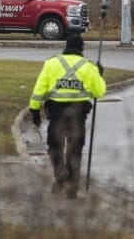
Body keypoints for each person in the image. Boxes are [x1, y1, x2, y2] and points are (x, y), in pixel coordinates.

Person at [29, 34, 106, 199]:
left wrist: (34, 110)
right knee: (75, 149)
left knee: (55, 146)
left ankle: (60, 172)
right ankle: (72, 187)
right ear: (82, 49)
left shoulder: (51, 64)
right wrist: (99, 74)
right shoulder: (89, 67)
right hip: (78, 114)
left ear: (66, 46)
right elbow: (99, 92)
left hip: (56, 112)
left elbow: (39, 90)